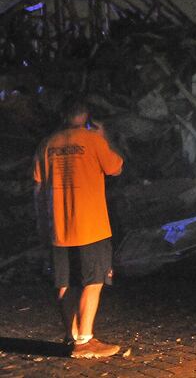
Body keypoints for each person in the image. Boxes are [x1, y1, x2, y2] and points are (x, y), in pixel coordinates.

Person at [33, 99, 123, 359]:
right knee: (93, 281)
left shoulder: (47, 144)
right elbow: (116, 167)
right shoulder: (94, 140)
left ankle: (71, 336)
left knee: (64, 282)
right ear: (86, 116)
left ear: (62, 115)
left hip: (58, 227)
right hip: (91, 226)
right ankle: (85, 341)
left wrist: (41, 223)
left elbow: (38, 186)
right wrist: (105, 137)